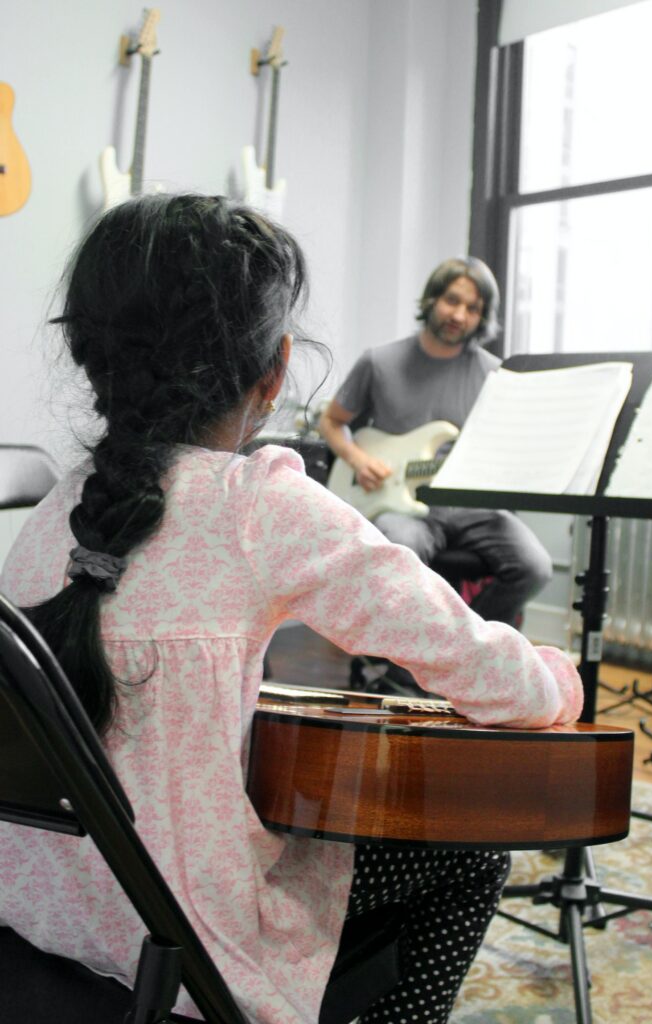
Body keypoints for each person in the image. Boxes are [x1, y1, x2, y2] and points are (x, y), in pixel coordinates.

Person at [0, 195, 583, 1024]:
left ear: (93, 358)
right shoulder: (258, 504)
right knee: (477, 848)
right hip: (185, 953)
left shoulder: (54, 516)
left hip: (38, 923)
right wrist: (559, 684)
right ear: (274, 371)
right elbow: (487, 669)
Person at [319, 257, 553, 639]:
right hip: (400, 507)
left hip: (472, 508)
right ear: (431, 300)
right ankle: (405, 670)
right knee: (401, 549)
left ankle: (466, 647)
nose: (459, 314)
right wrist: (357, 459)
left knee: (534, 567)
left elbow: (504, 450)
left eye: (472, 308)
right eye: (451, 300)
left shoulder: (496, 376)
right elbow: (332, 421)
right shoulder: (379, 361)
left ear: (482, 317)